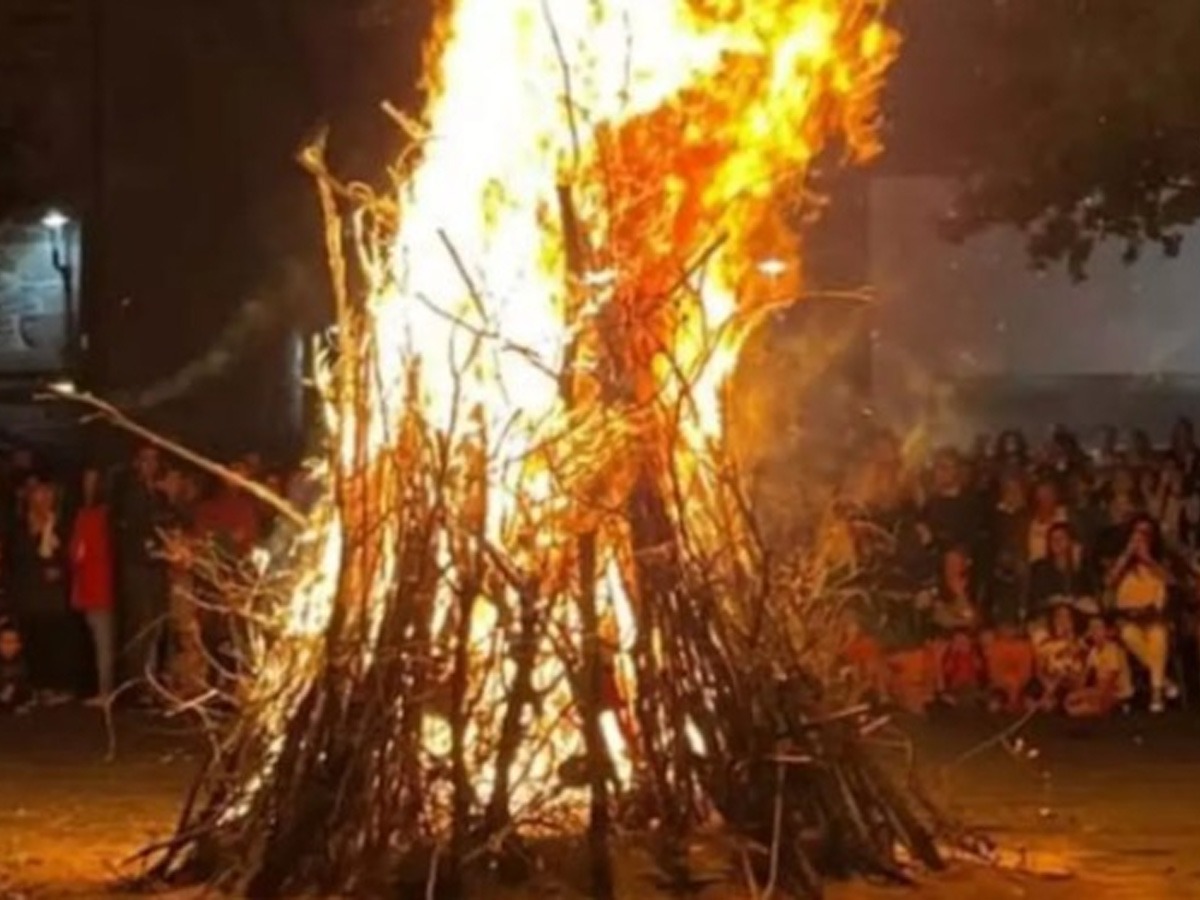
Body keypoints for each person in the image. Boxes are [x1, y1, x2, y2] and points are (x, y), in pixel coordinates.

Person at [10, 477, 77, 702]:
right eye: (40, 494)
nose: (45, 499)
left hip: (52, 597)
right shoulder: (19, 527)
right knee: (32, 640)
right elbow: (20, 557)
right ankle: (34, 687)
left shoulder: (59, 526)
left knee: (54, 640)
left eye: (49, 494)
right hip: (28, 594)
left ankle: (55, 686)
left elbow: (66, 556)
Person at [114, 444, 171, 689]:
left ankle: (151, 679)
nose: (150, 465)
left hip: (157, 565)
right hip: (138, 566)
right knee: (141, 622)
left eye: (154, 460)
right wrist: (149, 548)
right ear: (137, 463)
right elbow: (133, 530)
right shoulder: (131, 493)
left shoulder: (158, 495)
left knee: (157, 622)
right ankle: (135, 682)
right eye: (145, 459)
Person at [1107, 515, 1178, 712]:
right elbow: (1109, 582)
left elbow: (1172, 582)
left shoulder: (1160, 561)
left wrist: (1148, 560)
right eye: (1137, 532)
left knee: (1158, 636)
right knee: (1129, 635)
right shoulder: (1121, 561)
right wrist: (1128, 554)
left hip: (1153, 615)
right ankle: (1163, 681)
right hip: (1128, 616)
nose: (1141, 538)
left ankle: (1156, 694)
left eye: (1146, 533)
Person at [70, 467, 116, 706]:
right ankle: (107, 687)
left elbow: (77, 553)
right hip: (105, 585)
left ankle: (105, 689)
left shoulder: (89, 517)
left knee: (102, 641)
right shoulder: (110, 517)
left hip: (94, 586)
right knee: (105, 639)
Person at [1027, 523, 1096, 618]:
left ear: (1071, 541)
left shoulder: (1081, 568)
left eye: (1062, 538)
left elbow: (1089, 595)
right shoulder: (1041, 568)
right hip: (1050, 616)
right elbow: (1035, 601)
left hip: (1077, 616)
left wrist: (1077, 568)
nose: (1057, 542)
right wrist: (1056, 601)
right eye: (1053, 539)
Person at [0, 619, 32, 713]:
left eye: (12, 642)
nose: (8, 646)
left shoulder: (22, 666)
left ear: (19, 645)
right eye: (4, 642)